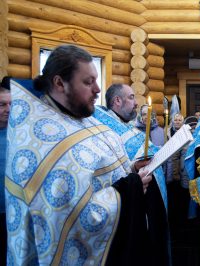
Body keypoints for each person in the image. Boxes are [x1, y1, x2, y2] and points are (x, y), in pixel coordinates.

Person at [5, 45, 160, 265]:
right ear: (59, 83)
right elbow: (72, 220)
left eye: (96, 80)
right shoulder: (43, 137)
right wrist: (131, 188)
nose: (98, 89)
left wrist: (132, 171)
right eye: (88, 82)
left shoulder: (82, 116)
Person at [95, 83, 170, 265]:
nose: (136, 103)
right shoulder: (105, 127)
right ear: (117, 101)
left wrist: (135, 166)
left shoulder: (123, 125)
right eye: (131, 97)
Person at [0, 77, 11, 265]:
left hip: (13, 212)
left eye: (11, 104)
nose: (8, 110)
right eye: (2, 105)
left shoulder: (20, 134)